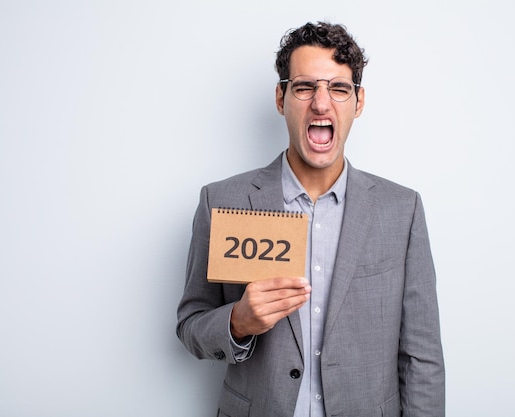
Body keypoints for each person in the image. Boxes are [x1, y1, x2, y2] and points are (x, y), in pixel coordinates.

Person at [176, 21, 445, 417]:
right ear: (281, 98)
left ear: (359, 102)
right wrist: (238, 321)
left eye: (338, 88)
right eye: (305, 87)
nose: (321, 103)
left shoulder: (401, 210)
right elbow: (190, 325)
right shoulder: (222, 202)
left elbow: (422, 357)